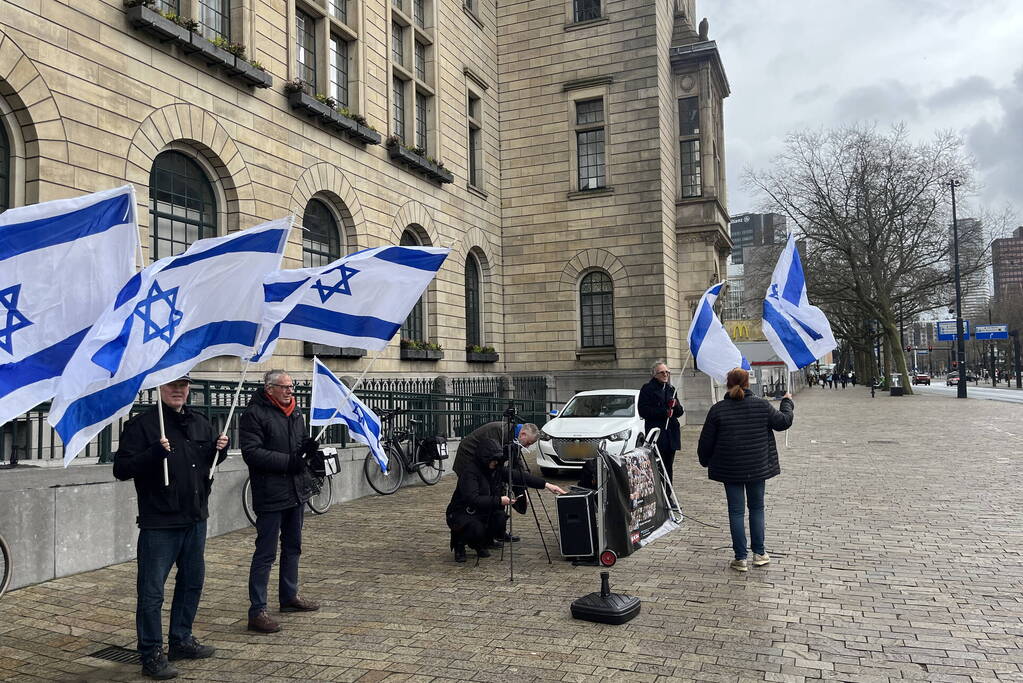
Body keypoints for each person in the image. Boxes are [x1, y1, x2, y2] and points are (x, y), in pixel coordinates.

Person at [113, 375, 229, 680]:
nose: (178, 390)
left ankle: (181, 639)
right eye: (171, 384)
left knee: (192, 582)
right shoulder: (142, 426)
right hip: (160, 522)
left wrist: (220, 450)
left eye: (183, 385)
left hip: (194, 517)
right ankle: (151, 653)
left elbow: (205, 464)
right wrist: (154, 453)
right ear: (159, 388)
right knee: (152, 592)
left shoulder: (201, 422)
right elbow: (121, 469)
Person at [240, 370, 320, 634]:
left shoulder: (295, 413)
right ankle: (257, 610)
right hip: (270, 492)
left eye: (291, 387)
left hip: (295, 491)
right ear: (269, 388)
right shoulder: (255, 413)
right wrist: (289, 461)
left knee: (293, 546)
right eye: (284, 387)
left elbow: (296, 447)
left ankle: (289, 596)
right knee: (265, 552)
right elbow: (252, 453)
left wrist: (305, 449)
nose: (289, 391)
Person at [697, 367, 793, 573]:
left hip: (730, 469)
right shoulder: (762, 405)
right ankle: (759, 553)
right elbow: (783, 422)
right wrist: (787, 402)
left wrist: (704, 461)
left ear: (728, 383)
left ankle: (740, 557)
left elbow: (705, 442)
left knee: (736, 512)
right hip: (757, 467)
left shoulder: (718, 409)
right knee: (757, 509)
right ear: (748, 383)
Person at [446, 438, 566, 562]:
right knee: (476, 529)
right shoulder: (470, 472)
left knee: (500, 517)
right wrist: (499, 500)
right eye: (493, 461)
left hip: (482, 511)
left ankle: (484, 542)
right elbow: (473, 499)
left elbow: (519, 476)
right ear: (485, 458)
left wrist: (547, 485)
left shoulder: (495, 469)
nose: (496, 464)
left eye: (497, 461)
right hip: (462, 513)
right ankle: (459, 543)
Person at [638, 361, 684, 483]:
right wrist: (664, 412)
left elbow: (679, 413)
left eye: (667, 372)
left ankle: (668, 497)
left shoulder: (671, 389)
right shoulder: (647, 389)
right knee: (658, 467)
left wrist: (676, 405)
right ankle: (659, 497)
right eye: (662, 372)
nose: (665, 374)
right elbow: (643, 411)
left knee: (668, 467)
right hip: (657, 435)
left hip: (671, 435)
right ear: (655, 374)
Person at [451, 420, 540, 476]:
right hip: (468, 455)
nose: (527, 446)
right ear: (523, 434)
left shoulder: (517, 437)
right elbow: (494, 457)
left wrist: (523, 487)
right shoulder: (503, 432)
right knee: (470, 491)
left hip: (481, 456)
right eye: (528, 443)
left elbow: (516, 460)